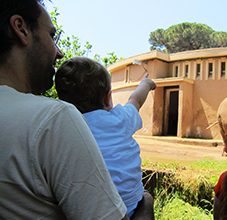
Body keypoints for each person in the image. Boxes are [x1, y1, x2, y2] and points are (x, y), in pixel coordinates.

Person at [0, 0, 131, 219]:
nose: (59, 52)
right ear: (21, 28)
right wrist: (146, 206)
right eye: (52, 36)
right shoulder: (52, 120)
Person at [55, 57, 156, 220]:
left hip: (91, 209)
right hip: (133, 203)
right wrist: (146, 84)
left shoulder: (66, 127)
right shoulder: (120, 118)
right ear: (108, 98)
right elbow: (135, 100)